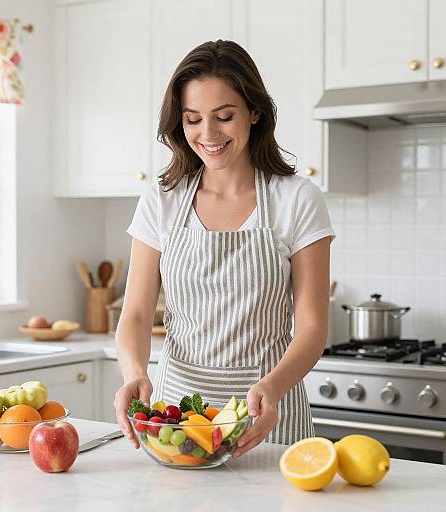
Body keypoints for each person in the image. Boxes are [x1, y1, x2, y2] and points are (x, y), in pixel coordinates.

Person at [114, 39, 335, 457]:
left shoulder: (297, 199)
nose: (208, 134)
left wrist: (273, 386)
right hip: (176, 417)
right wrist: (134, 373)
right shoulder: (162, 199)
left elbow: (311, 327)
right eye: (193, 119)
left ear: (254, 111)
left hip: (269, 414)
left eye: (224, 116)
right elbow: (137, 313)